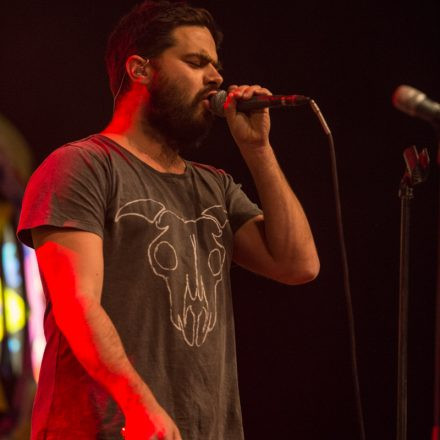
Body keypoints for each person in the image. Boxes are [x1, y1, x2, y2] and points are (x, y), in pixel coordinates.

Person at [17, 1, 320, 439]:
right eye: (196, 62)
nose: (216, 78)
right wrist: (140, 406)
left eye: (216, 66)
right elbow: (76, 306)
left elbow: (298, 265)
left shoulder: (215, 186)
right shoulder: (82, 166)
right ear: (140, 69)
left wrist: (258, 150)